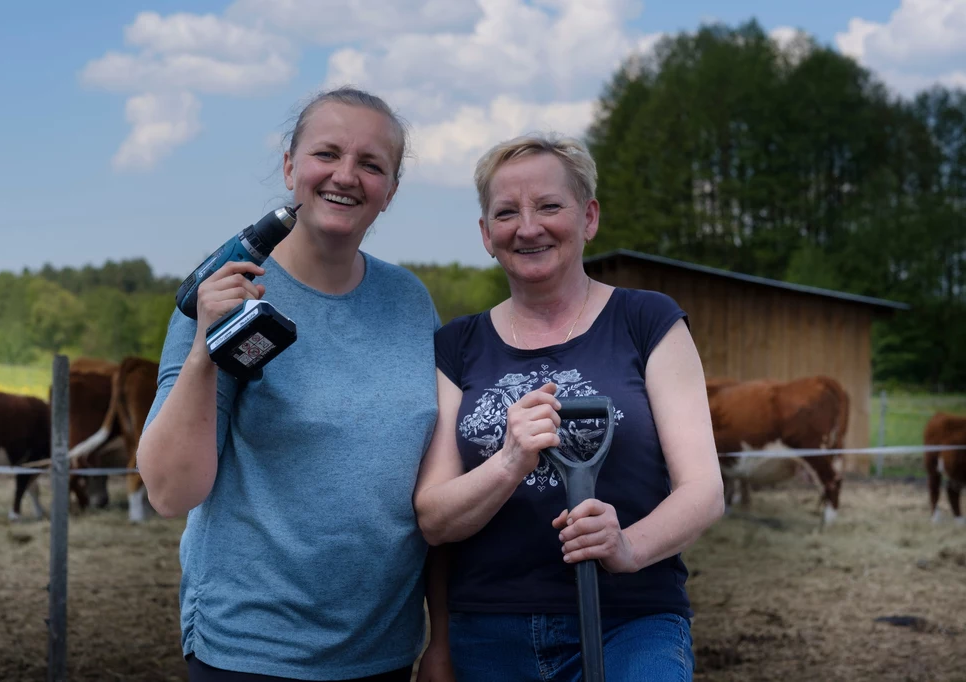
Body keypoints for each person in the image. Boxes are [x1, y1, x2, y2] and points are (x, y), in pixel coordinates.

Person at [137, 87, 450, 682]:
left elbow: (432, 483)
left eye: (371, 164)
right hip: (252, 650)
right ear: (289, 166)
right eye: (326, 154)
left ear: (390, 192)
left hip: (383, 650)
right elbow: (169, 492)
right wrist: (207, 347)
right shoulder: (225, 292)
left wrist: (442, 636)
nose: (346, 176)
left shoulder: (410, 301)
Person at [413, 133, 725, 681]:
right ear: (486, 235)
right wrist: (509, 461)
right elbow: (434, 518)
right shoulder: (456, 346)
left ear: (589, 217)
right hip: (491, 629)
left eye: (550, 206)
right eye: (506, 213)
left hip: (630, 618)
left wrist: (627, 545)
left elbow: (703, 489)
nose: (528, 227)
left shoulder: (647, 321)